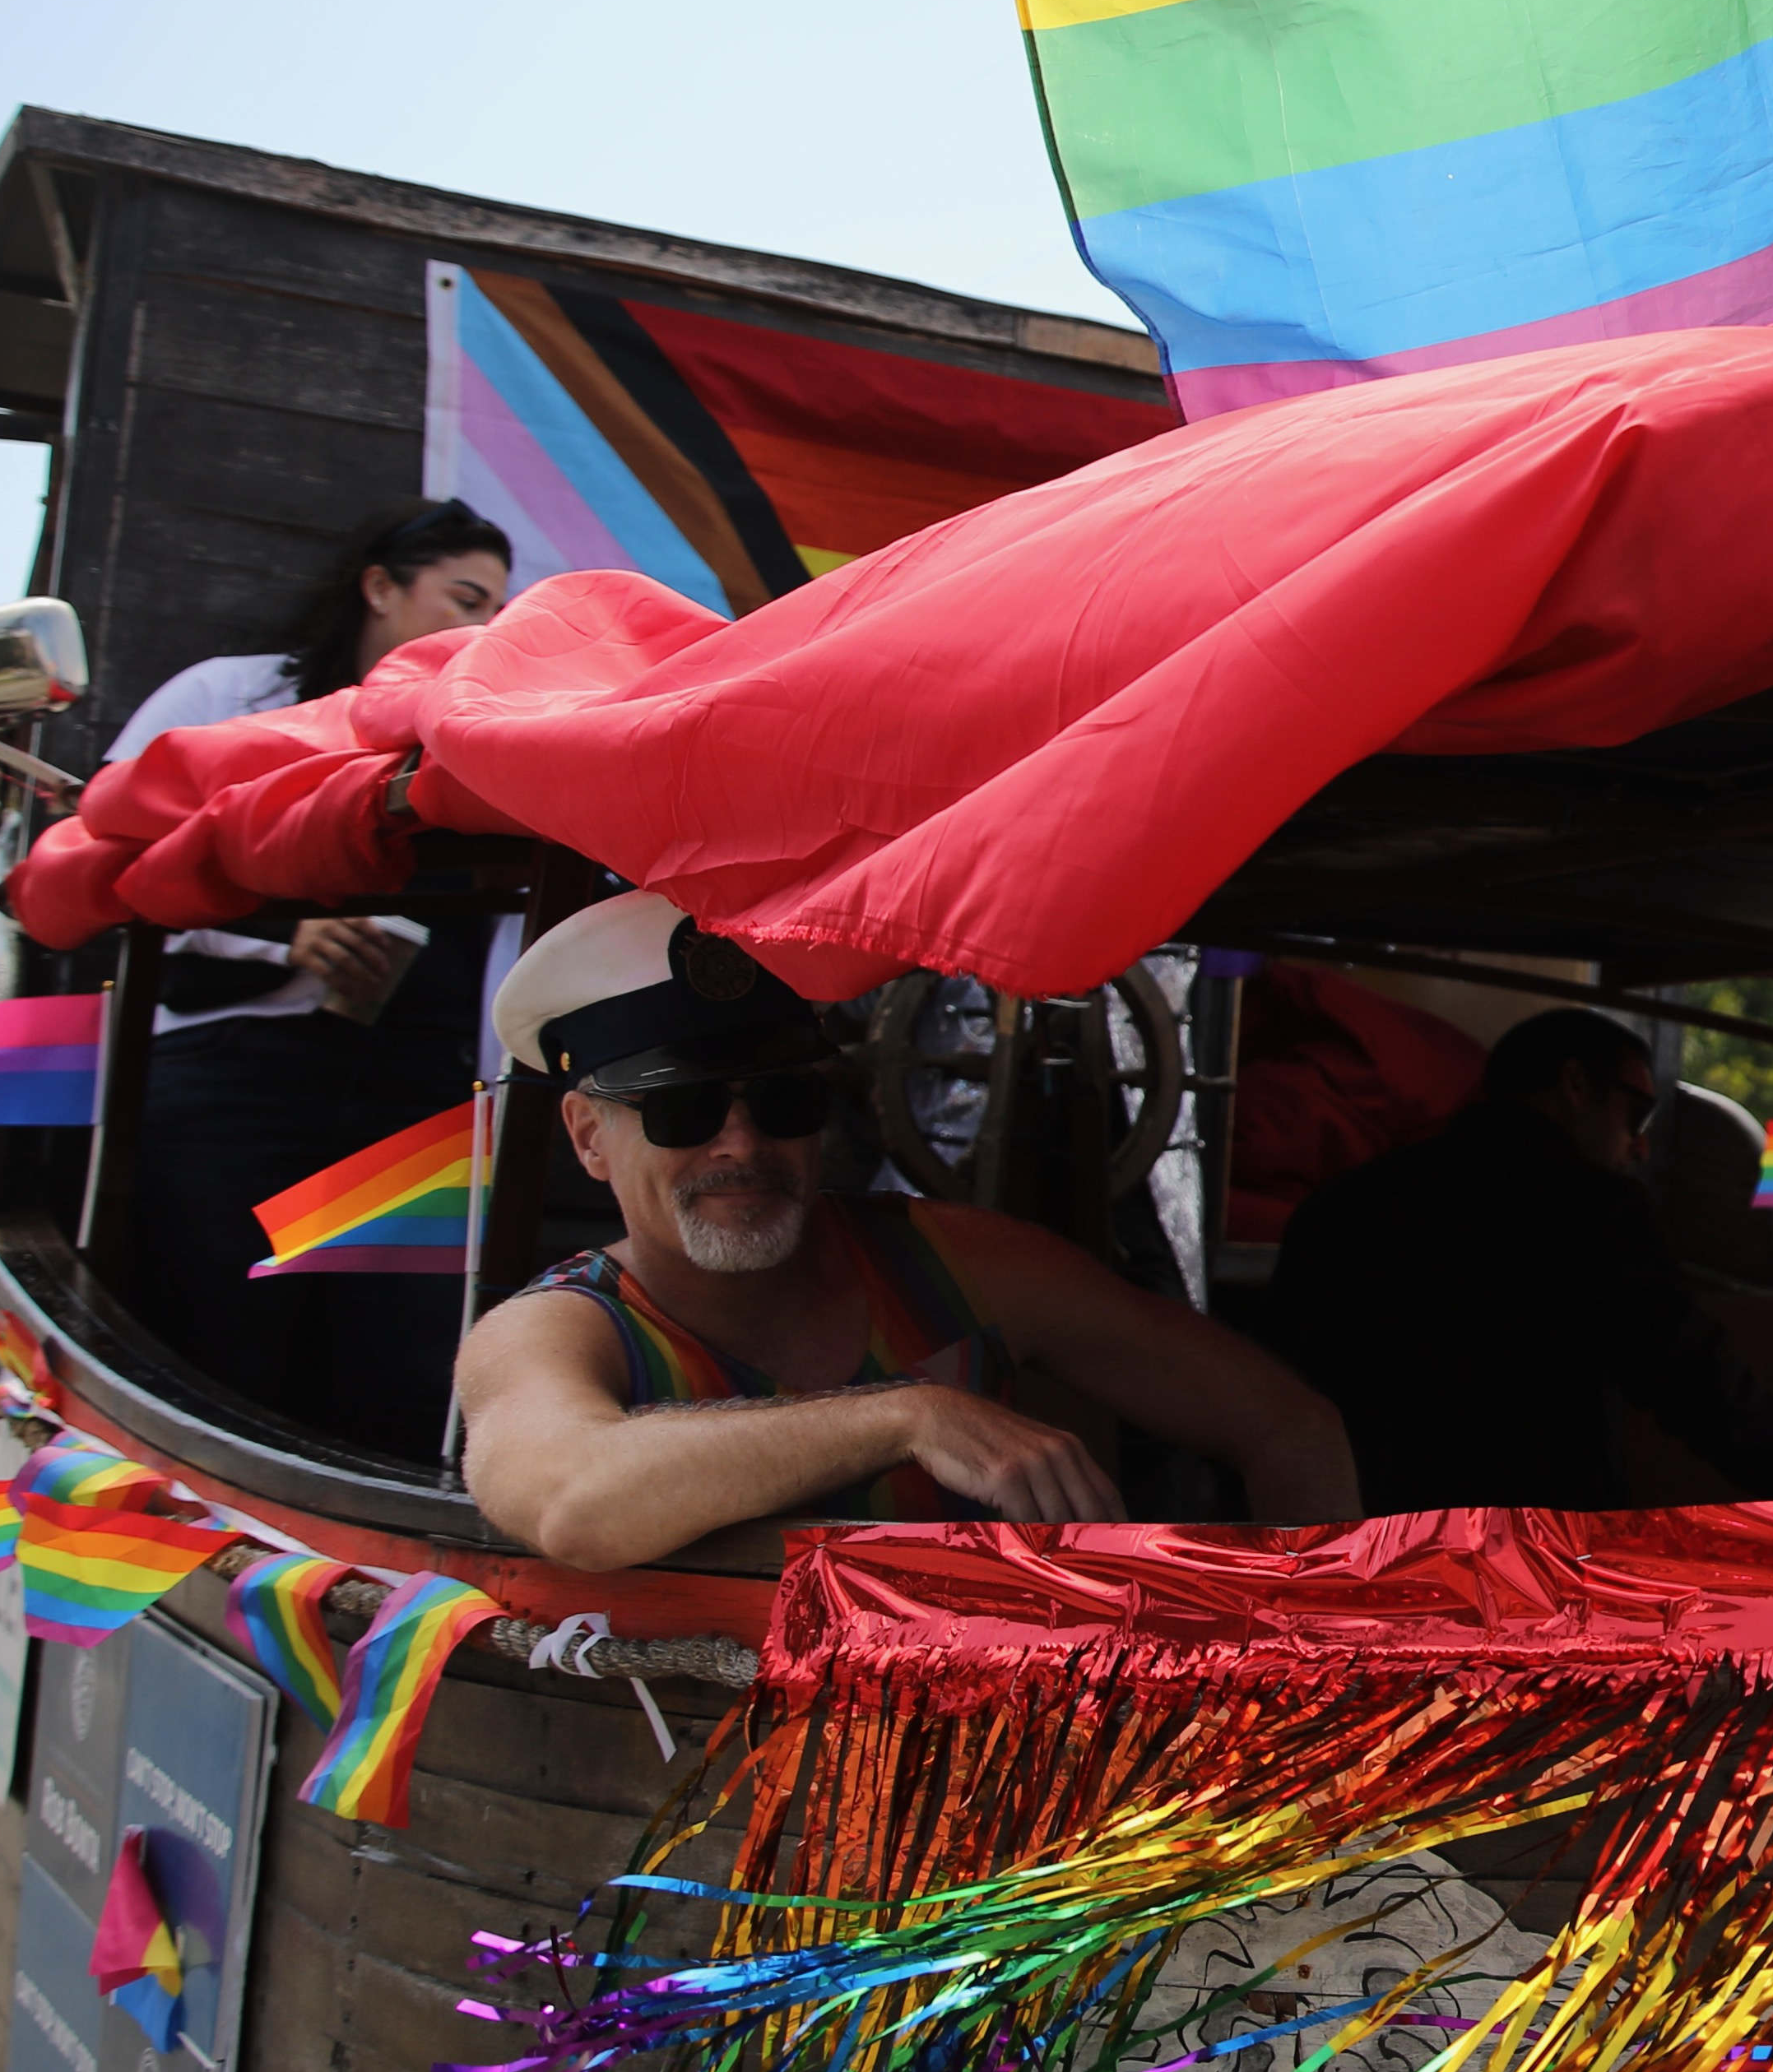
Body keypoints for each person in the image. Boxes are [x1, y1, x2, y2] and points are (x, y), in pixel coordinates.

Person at [455, 894, 1354, 1566]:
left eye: (783, 1100)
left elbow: (1287, 1427)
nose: (742, 1144)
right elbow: (573, 1501)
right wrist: (906, 1418)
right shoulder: (555, 1330)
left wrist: (1313, 1650)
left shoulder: (957, 1265)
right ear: (586, 1137)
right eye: (683, 1112)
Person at [104, 499, 513, 1450]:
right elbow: (113, 849)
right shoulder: (230, 698)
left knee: (398, 1356)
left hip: (420, 1085)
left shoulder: (480, 734)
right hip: (237, 1070)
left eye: (499, 611)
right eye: (464, 598)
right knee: (221, 1324)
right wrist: (281, 938)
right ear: (380, 587)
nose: (483, 630)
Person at [1268, 1009, 1773, 1512]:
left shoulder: (1344, 1206)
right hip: (1525, 1555)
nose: (1639, 1147)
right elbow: (1702, 1390)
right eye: (1635, 1114)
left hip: (1356, 1541)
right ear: (1576, 1086)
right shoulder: (1587, 1212)